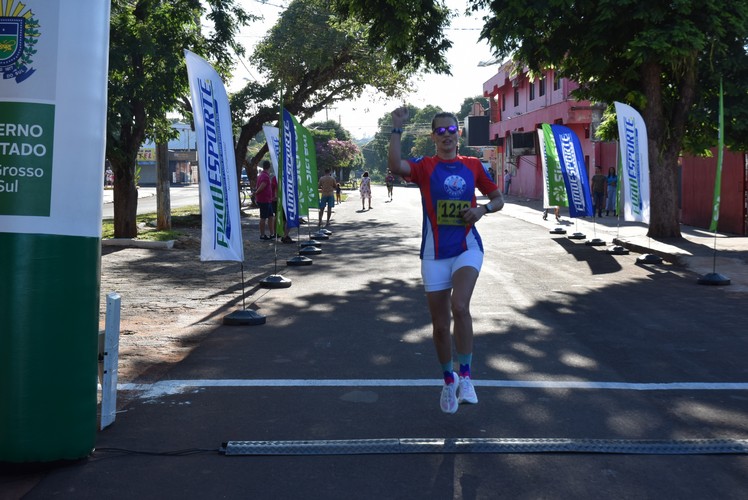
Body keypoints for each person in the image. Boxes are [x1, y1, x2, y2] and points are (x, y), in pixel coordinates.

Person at [388, 107, 504, 414]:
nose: (446, 137)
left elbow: (498, 199)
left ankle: (466, 376)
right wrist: (396, 128)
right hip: (434, 254)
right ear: (433, 137)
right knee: (440, 326)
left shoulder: (473, 165)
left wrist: (482, 210)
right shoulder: (425, 166)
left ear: (459, 133)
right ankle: (447, 379)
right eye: (440, 132)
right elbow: (395, 164)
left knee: (460, 306)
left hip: (467, 247)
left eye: (451, 131)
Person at [255, 160, 276, 240]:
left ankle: (272, 233)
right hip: (264, 200)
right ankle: (262, 235)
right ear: (269, 167)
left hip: (268, 200)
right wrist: (256, 192)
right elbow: (262, 185)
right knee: (263, 217)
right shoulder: (265, 176)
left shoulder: (262, 174)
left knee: (271, 216)